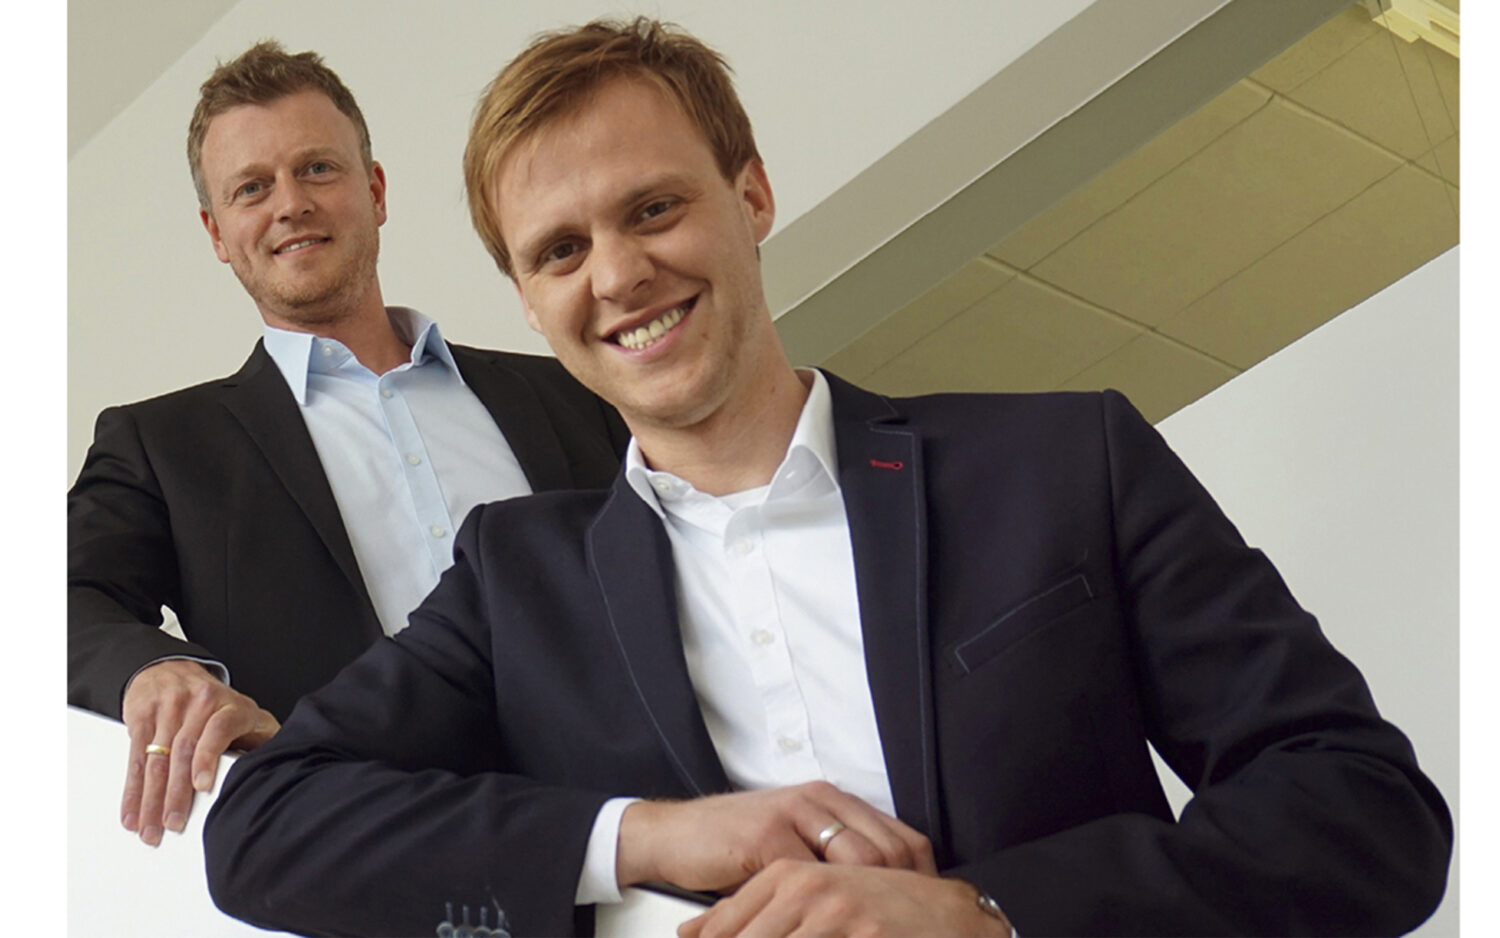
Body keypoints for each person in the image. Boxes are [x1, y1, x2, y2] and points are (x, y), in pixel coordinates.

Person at [203, 19, 1451, 937]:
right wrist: (652, 833)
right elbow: (264, 825)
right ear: (530, 300)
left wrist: (987, 911)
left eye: (654, 209)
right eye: (561, 250)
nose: (618, 274)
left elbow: (1363, 807)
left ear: (751, 194)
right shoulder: (512, 579)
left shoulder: (1068, 460)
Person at [67, 41, 626, 850]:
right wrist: (152, 670)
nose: (290, 203)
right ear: (217, 233)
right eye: (252, 188)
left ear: (375, 190)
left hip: (645, 823)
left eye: (317, 169)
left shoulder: (573, 389)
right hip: (381, 855)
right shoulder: (161, 447)